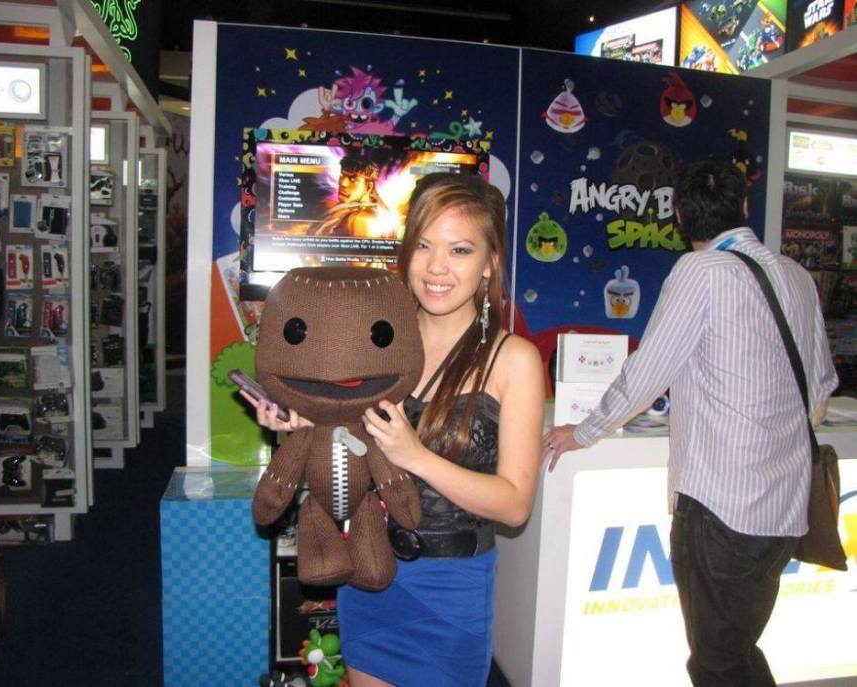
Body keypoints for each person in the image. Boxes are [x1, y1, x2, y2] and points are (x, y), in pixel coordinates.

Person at [546, 159, 838, 687]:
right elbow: (821, 386)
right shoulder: (796, 275)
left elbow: (646, 374)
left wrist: (584, 431)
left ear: (679, 215)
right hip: (785, 508)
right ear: (744, 206)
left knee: (717, 661)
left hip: (721, 510)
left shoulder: (699, 271)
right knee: (731, 651)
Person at [247, 172, 545, 686]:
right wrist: (298, 423)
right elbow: (346, 443)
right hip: (369, 568)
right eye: (424, 245)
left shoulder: (512, 360)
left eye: (460, 250)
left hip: (451, 590)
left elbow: (515, 504)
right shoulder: (378, 341)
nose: (436, 267)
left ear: (490, 262)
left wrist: (417, 457)